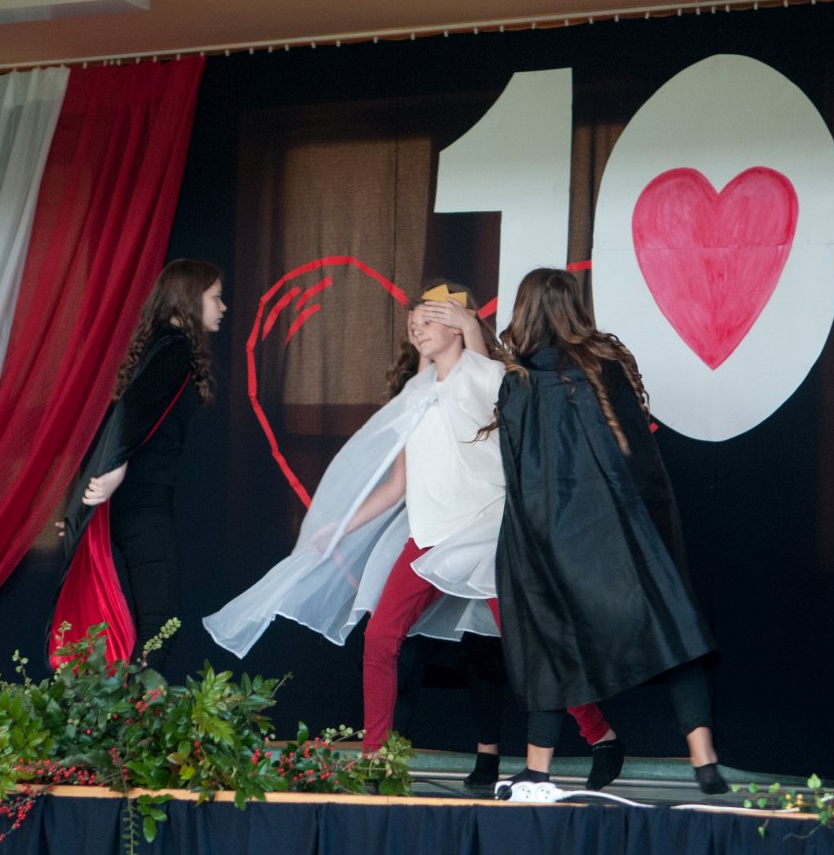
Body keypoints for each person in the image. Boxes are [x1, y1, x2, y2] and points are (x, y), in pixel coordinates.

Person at [205, 282, 621, 791]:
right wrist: (340, 526)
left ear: (457, 325)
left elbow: (486, 375)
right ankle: (376, 761)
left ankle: (601, 736)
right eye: (413, 323)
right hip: (428, 536)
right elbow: (396, 485)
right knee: (380, 638)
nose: (416, 329)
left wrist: (468, 328)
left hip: (487, 532)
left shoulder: (492, 379)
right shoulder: (417, 398)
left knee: (530, 647)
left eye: (428, 321)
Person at [492, 267, 727, 795]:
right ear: (574, 309)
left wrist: (525, 545)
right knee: (672, 632)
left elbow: (515, 473)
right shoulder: (603, 369)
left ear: (524, 312)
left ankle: (537, 768)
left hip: (548, 538)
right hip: (616, 533)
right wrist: (653, 538)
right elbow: (642, 460)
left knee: (549, 644)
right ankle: (703, 757)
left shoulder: (518, 384)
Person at [58, 258, 225, 670]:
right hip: (141, 503)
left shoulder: (163, 345)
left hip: (136, 502)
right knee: (160, 623)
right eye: (215, 298)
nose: (223, 308)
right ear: (190, 299)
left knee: (150, 623)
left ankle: (128, 705)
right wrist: (116, 469)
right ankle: (134, 709)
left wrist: (81, 506)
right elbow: (131, 412)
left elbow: (125, 418)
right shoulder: (175, 347)